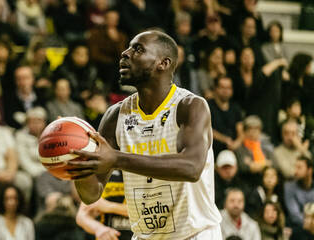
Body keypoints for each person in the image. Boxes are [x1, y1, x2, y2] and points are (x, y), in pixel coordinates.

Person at [67, 30, 222, 239]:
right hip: (144, 235)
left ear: (163, 63)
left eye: (137, 49)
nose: (125, 53)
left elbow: (191, 168)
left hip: (195, 233)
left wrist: (117, 159)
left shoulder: (189, 106)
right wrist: (79, 164)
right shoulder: (115, 115)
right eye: (128, 47)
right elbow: (91, 194)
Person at [76, 170, 132, 240]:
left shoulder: (143, 170)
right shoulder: (101, 172)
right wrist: (98, 228)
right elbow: (81, 215)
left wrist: (108, 206)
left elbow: (146, 210)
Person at [208, 76, 244, 155]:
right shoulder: (207, 106)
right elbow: (206, 129)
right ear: (216, 89)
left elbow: (240, 131)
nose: (225, 91)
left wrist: (236, 143)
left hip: (233, 149)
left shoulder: (235, 108)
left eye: (228, 88)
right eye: (222, 87)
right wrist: (225, 139)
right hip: (212, 149)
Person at [284, 156, 314, 239]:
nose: (296, 171)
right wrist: (310, 224)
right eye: (295, 167)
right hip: (297, 228)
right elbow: (294, 215)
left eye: (299, 167)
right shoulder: (289, 187)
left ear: (309, 170)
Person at [15, 107, 47, 178]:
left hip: (48, 171)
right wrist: (41, 173)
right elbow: (24, 161)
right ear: (27, 123)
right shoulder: (20, 136)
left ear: (44, 123)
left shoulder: (49, 136)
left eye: (39, 121)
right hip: (30, 173)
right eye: (33, 122)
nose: (36, 125)